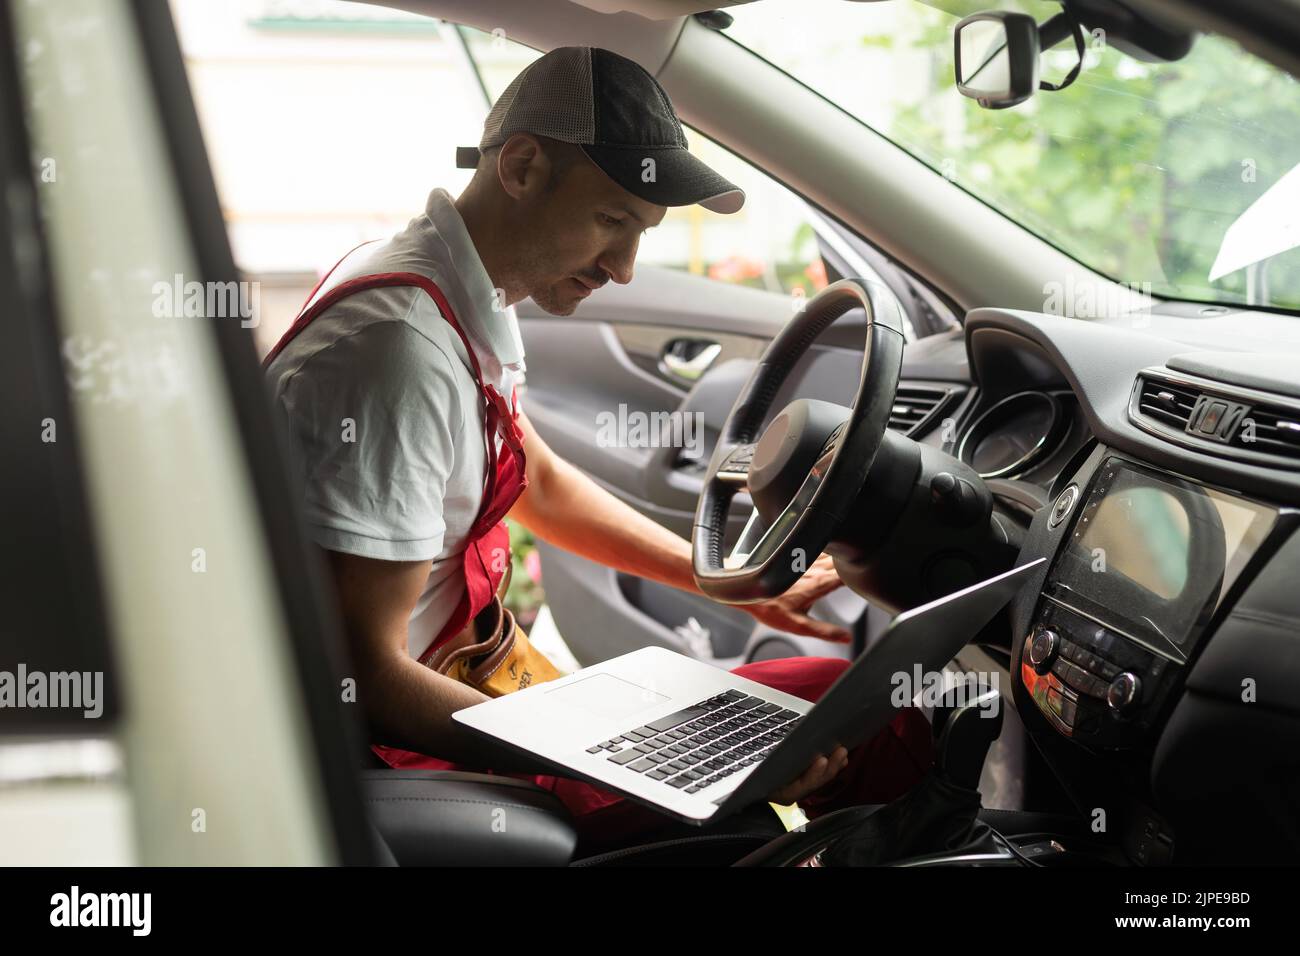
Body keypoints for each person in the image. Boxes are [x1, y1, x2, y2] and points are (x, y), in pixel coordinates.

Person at [265, 46, 930, 857]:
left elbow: (535, 481)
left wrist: (728, 587)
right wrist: (620, 759)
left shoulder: (457, 288)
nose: (622, 268)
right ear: (521, 165)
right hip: (409, 749)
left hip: (479, 685)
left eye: (641, 232)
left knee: (850, 701)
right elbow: (361, 675)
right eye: (612, 221)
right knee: (870, 726)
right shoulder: (398, 352)